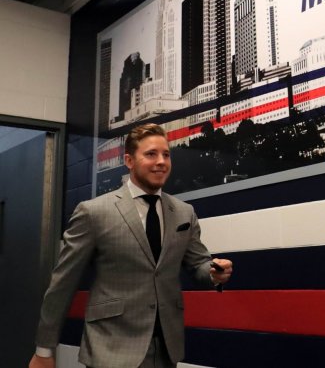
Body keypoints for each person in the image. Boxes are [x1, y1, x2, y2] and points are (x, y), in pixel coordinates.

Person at [29, 123, 233, 368]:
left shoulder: (183, 213)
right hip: (111, 349)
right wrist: (44, 349)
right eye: (151, 154)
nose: (161, 161)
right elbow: (63, 283)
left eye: (166, 154)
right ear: (129, 160)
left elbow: (198, 263)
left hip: (167, 349)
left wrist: (213, 272)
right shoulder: (94, 212)